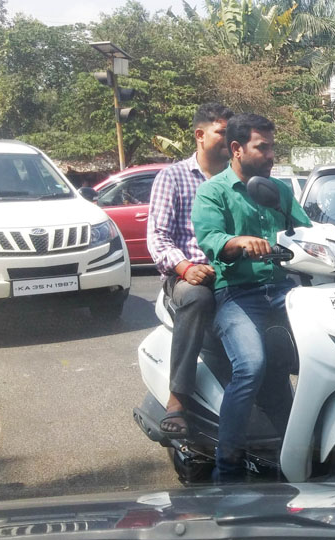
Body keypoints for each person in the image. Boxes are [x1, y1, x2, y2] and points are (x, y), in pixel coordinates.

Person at [191, 113, 312, 483]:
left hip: (283, 292)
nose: (272, 155)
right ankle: (226, 468)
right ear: (237, 149)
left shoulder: (279, 192)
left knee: (330, 353)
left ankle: (311, 449)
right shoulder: (213, 192)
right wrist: (239, 242)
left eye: (273, 147)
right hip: (236, 294)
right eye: (263, 147)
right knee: (252, 364)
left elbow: (306, 231)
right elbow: (211, 239)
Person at [146, 103, 234, 437]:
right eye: (222, 132)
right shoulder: (173, 177)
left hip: (231, 274)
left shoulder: (239, 179)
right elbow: (158, 237)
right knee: (197, 299)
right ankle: (177, 399)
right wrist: (184, 267)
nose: (230, 140)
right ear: (200, 135)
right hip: (185, 275)